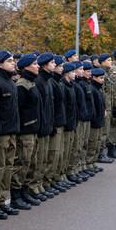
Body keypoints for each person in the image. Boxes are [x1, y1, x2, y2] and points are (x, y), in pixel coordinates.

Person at [0, 50, 20, 217]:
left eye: (13, 61)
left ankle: (2, 200)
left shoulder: (12, 83)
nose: (13, 63)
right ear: (0, 64)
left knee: (8, 167)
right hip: (1, 134)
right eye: (9, 61)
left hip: (12, 131)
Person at [10, 53, 42, 210]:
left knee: (31, 163)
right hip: (25, 131)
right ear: (27, 66)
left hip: (33, 129)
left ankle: (25, 191)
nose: (38, 66)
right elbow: (18, 110)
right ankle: (16, 195)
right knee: (22, 162)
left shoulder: (31, 82)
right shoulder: (22, 84)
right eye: (35, 64)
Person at [29, 52, 57, 202]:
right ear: (46, 65)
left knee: (45, 158)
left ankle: (40, 184)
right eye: (52, 63)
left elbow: (49, 106)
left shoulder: (48, 81)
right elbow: (38, 107)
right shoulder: (39, 81)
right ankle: (34, 186)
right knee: (38, 159)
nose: (55, 65)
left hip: (47, 125)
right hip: (41, 126)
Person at [48, 55, 70, 192]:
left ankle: (55, 178)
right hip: (54, 123)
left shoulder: (57, 82)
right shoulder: (51, 82)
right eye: (60, 66)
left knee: (59, 154)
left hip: (60, 121)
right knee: (52, 155)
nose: (62, 68)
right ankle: (48, 181)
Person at [60, 63, 78, 187]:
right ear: (66, 73)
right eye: (72, 72)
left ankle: (65, 173)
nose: (75, 74)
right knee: (63, 151)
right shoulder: (63, 86)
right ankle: (61, 175)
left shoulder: (70, 86)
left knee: (69, 150)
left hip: (72, 122)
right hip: (66, 123)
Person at [98, 53, 116, 161]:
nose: (111, 62)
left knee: (106, 131)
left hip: (109, 106)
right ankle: (100, 154)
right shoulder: (102, 74)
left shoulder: (107, 73)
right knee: (103, 132)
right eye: (108, 60)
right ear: (102, 62)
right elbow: (102, 94)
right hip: (105, 107)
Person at [86, 68, 107, 174]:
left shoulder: (98, 88)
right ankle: (89, 164)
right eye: (101, 78)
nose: (102, 80)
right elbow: (92, 106)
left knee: (98, 142)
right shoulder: (92, 88)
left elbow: (101, 103)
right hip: (95, 121)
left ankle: (93, 162)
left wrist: (104, 111)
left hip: (99, 119)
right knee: (92, 143)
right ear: (94, 77)